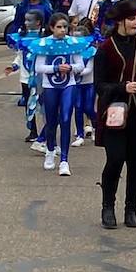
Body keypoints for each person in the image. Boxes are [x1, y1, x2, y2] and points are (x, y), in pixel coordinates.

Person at [93, 0, 136, 229]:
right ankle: (107, 207)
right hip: (113, 112)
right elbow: (99, 86)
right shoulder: (105, 49)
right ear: (120, 21)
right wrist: (123, 87)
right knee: (114, 160)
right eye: (132, 18)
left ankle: (131, 209)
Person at [34, 12, 86, 176]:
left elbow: (81, 65)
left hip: (68, 85)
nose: (62, 30)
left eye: (65, 27)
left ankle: (64, 160)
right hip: (49, 86)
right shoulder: (44, 44)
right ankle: (50, 150)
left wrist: (70, 68)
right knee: (51, 121)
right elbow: (38, 67)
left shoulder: (73, 43)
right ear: (51, 28)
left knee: (65, 119)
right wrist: (56, 68)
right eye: (59, 27)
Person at [4, 9, 45, 144]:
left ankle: (46, 130)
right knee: (29, 103)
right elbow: (20, 56)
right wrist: (14, 66)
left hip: (41, 77)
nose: (26, 23)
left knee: (44, 104)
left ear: (38, 22)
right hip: (25, 77)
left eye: (30, 20)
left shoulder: (44, 38)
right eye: (26, 20)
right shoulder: (21, 37)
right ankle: (33, 130)